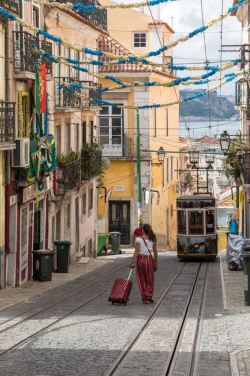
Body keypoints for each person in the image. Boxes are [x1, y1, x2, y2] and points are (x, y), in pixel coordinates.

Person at [130, 224, 158, 304]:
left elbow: (136, 252)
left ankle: (144, 297)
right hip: (149, 260)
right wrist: (156, 262)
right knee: (150, 279)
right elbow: (155, 252)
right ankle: (149, 295)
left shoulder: (138, 239)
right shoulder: (153, 239)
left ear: (143, 230)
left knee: (141, 279)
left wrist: (133, 262)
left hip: (140, 260)